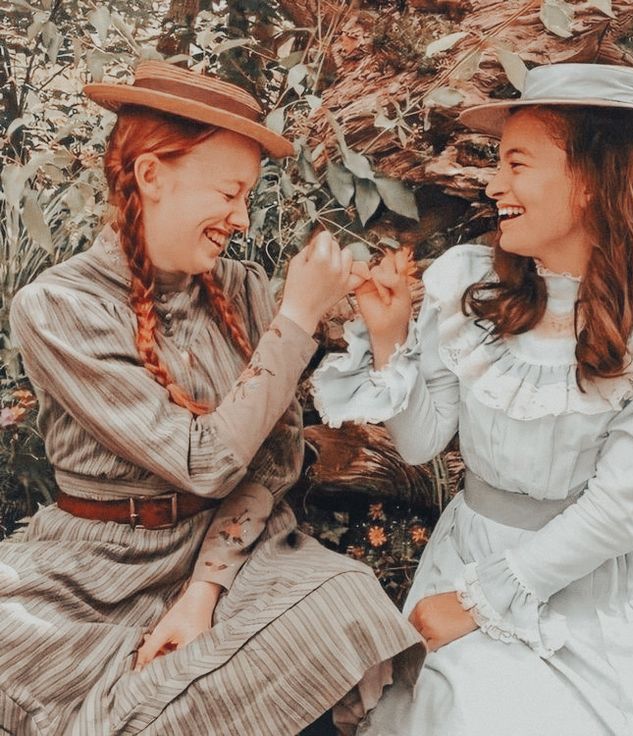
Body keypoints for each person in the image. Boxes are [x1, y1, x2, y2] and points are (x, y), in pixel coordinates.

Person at [0, 60, 423, 736]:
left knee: (339, 604)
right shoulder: (57, 306)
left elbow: (273, 459)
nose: (242, 217)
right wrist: (297, 320)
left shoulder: (247, 288)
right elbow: (202, 460)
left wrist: (203, 593)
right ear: (151, 174)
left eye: (249, 195)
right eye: (229, 193)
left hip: (232, 548)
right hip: (91, 570)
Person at [312, 63, 633, 735]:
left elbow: (621, 508)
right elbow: (422, 443)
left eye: (517, 162)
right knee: (472, 712)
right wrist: (390, 340)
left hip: (603, 580)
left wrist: (479, 604)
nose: (493, 182)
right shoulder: (467, 285)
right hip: (472, 551)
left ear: (595, 180)